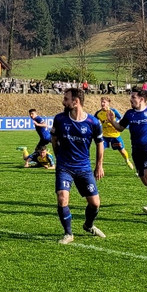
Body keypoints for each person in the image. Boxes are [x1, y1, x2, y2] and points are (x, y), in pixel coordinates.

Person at [51, 87, 105, 244]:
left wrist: (99, 165)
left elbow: (100, 144)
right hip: (64, 167)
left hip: (83, 167)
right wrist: (59, 157)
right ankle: (68, 233)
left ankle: (88, 225)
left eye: (66, 99)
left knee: (95, 203)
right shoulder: (60, 119)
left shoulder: (93, 123)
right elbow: (54, 140)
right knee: (62, 198)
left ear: (76, 102)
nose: (63, 101)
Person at [107, 87, 147, 216]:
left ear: (142, 99)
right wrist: (112, 121)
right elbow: (120, 128)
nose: (130, 99)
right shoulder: (129, 114)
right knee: (145, 180)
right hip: (136, 150)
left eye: (133, 97)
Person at [94, 97, 134, 170]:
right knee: (100, 150)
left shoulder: (113, 111)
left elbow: (121, 119)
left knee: (122, 150)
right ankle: (100, 166)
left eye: (104, 102)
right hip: (104, 136)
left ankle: (127, 160)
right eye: (101, 102)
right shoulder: (98, 113)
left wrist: (115, 122)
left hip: (114, 135)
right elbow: (93, 121)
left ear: (108, 103)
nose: (102, 104)